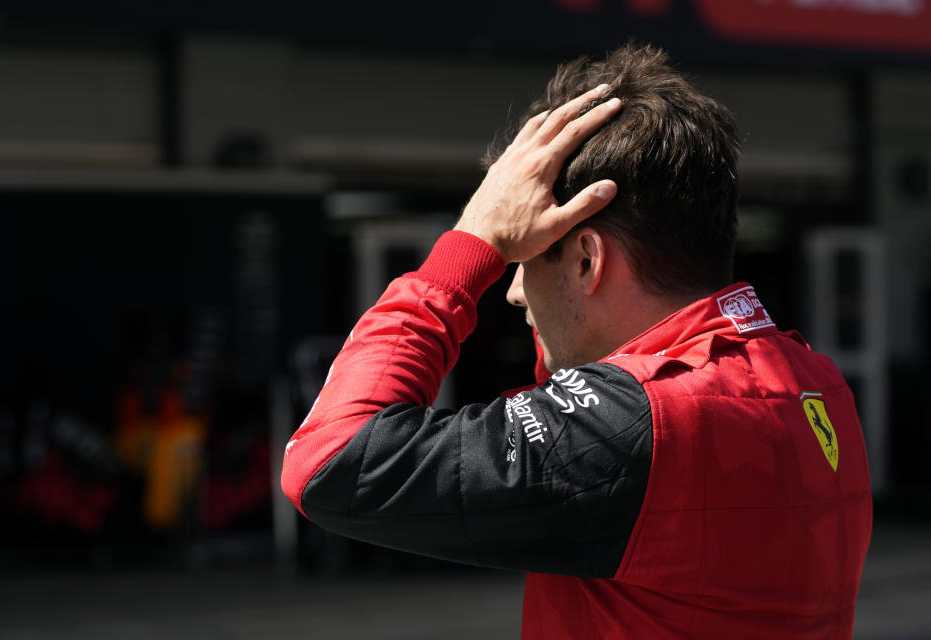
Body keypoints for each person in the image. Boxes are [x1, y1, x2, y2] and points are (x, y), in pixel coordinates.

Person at [281, 44, 872, 639]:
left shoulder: (637, 425)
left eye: (524, 258)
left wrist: (469, 245)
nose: (512, 290)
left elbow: (330, 462)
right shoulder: (816, 383)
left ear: (588, 261)